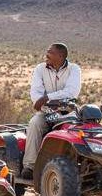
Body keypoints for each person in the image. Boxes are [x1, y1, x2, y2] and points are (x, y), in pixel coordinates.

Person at [21, 43, 82, 180]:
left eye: (50, 52)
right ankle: (30, 166)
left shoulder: (74, 69)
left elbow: (71, 92)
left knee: (78, 131)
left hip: (68, 113)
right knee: (34, 124)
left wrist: (47, 97)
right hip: (46, 112)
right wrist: (44, 102)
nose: (46, 55)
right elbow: (35, 94)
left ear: (60, 56)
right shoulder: (40, 69)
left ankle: (78, 165)